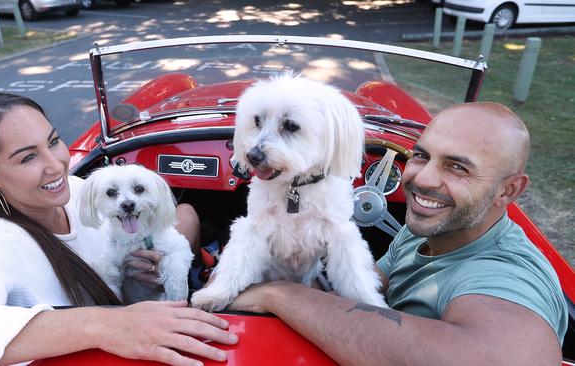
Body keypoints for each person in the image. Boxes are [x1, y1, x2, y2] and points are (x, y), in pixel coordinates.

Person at [228, 102, 569, 365]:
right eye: (421, 156)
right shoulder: (429, 230)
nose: (423, 179)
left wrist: (279, 294)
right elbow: (362, 300)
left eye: (457, 167)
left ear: (507, 191)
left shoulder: (507, 274)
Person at [0, 92, 237, 366]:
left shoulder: (78, 190)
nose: (56, 164)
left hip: (157, 336)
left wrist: (154, 275)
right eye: (28, 157)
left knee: (187, 213)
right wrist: (107, 325)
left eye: (53, 141)